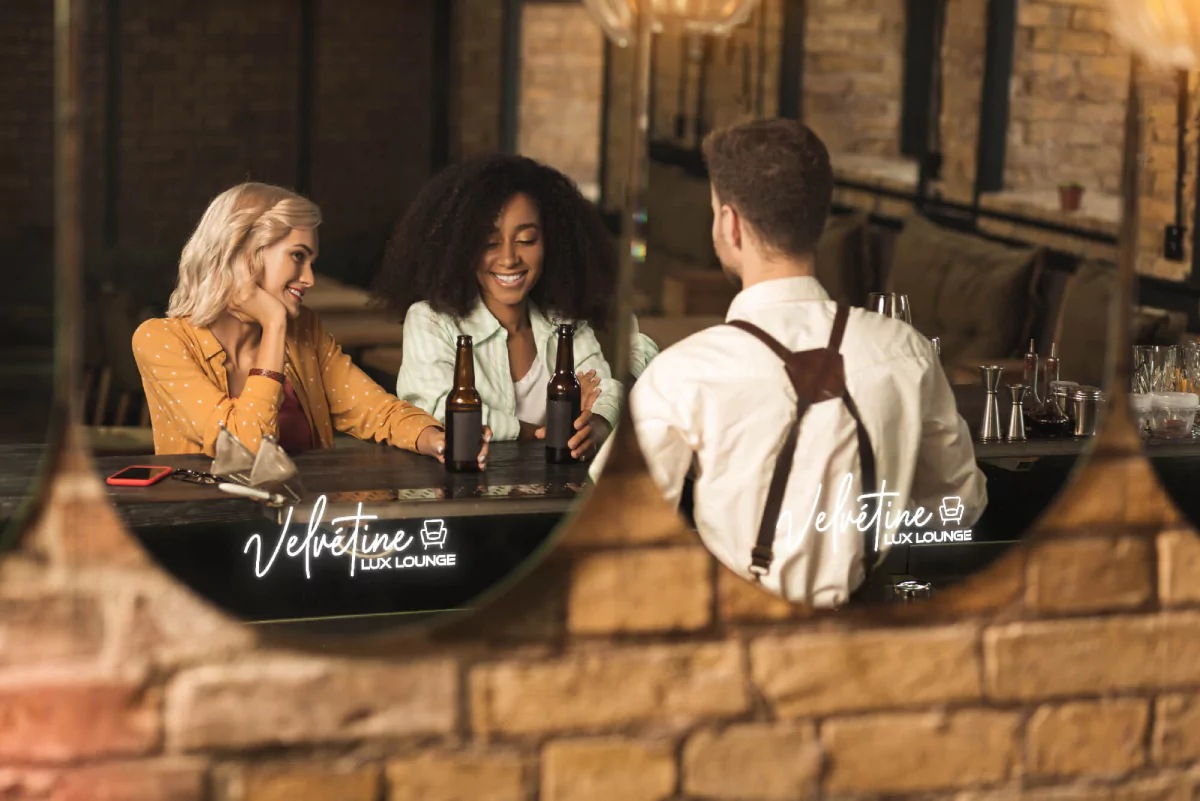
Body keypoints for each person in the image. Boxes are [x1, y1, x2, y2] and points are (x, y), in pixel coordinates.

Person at [592, 119, 986, 608]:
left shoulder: (681, 375)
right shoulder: (906, 351)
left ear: (729, 224)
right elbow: (959, 505)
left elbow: (616, 527)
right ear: (817, 220)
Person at [133, 182, 489, 466]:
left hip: (305, 528)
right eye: (297, 257)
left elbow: (377, 412)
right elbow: (245, 446)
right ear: (244, 254)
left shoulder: (305, 332)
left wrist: (435, 439)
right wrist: (273, 325)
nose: (309, 279)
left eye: (311, 261)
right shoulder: (161, 340)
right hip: (208, 533)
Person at [375, 153, 658, 460]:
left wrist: (598, 424)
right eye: (490, 243)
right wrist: (537, 432)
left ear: (551, 243)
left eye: (526, 239)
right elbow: (439, 412)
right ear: (461, 248)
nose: (509, 259)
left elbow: (605, 390)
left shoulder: (563, 321)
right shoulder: (431, 321)